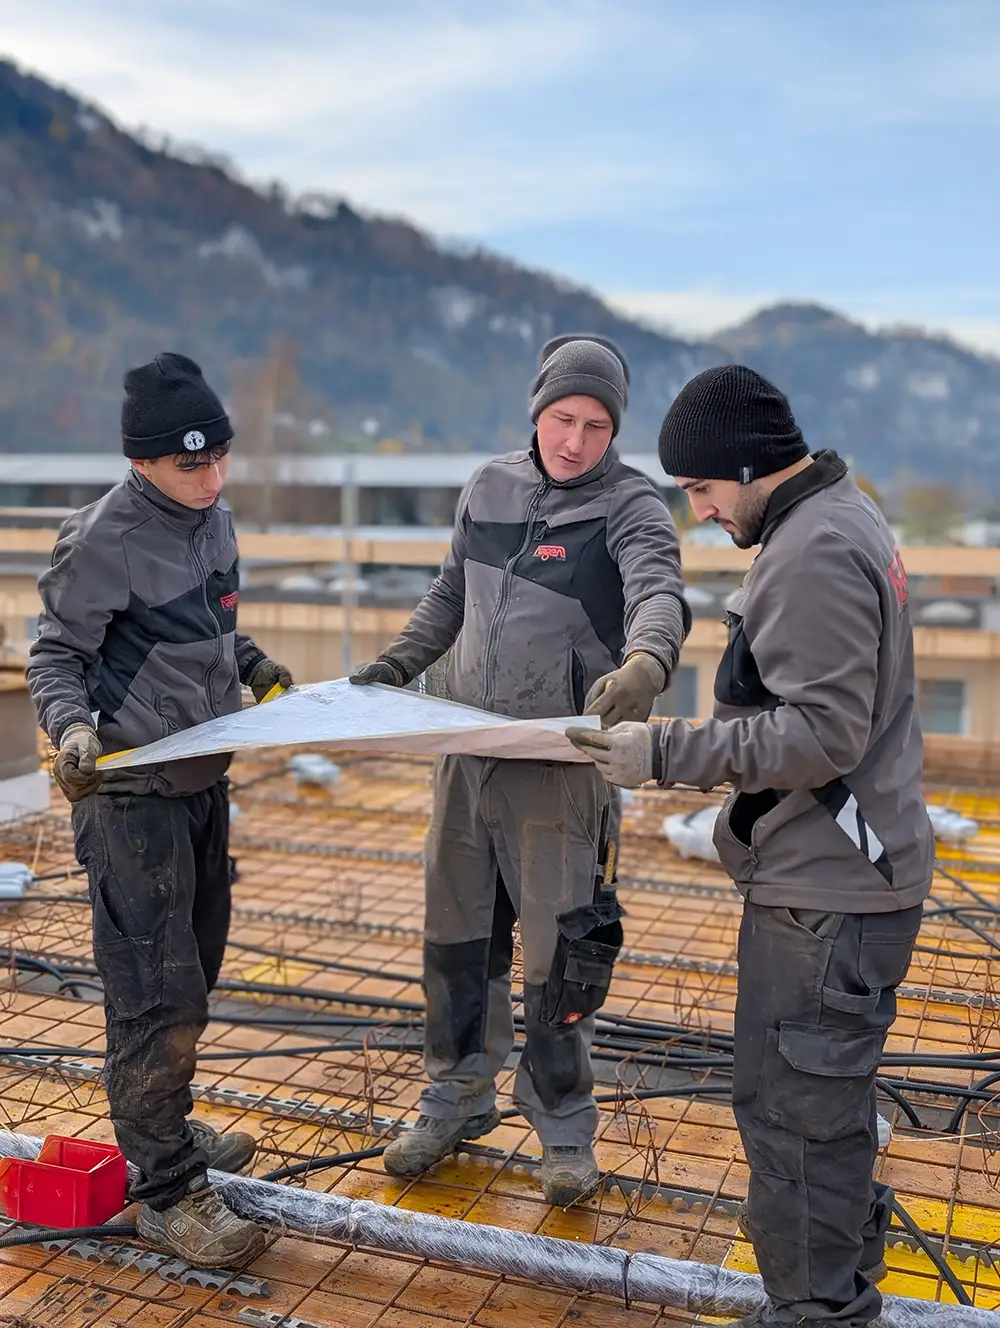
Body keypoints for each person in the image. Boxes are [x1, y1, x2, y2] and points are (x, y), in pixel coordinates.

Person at [568, 364, 933, 1327]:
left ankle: (814, 1310)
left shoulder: (813, 550)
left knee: (793, 1120)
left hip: (829, 895)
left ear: (745, 466)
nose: (699, 513)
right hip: (843, 881)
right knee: (826, 1108)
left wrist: (661, 753)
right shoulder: (842, 514)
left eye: (701, 490)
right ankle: (839, 1285)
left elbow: (821, 736)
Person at [349, 335, 690, 1204]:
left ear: (615, 431)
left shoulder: (631, 505)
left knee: (559, 959)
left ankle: (564, 1128)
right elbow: (449, 595)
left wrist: (648, 662)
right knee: (457, 943)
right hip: (468, 756)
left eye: (595, 426)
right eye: (561, 418)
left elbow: (659, 593)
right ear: (536, 411)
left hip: (559, 768)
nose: (574, 441)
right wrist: (398, 662)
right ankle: (455, 1099)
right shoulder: (489, 487)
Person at [26, 353, 294, 1269]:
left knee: (197, 971)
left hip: (202, 781)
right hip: (131, 793)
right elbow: (57, 655)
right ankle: (167, 1188)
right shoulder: (100, 539)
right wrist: (71, 730)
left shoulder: (214, 519)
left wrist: (251, 664)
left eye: (220, 458)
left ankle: (164, 1124)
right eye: (191, 465)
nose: (211, 478)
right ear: (141, 461)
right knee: (155, 992)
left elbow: (204, 628)